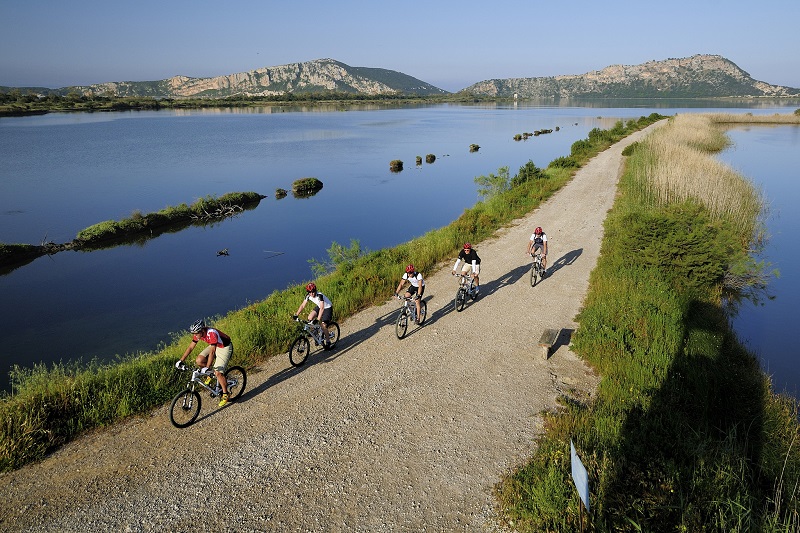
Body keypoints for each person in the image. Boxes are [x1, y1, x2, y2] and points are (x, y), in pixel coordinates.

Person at [175, 319, 234, 407]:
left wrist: (207, 366)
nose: (195, 335)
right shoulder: (198, 334)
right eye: (193, 333)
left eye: (196, 333)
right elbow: (191, 347)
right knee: (199, 360)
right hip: (214, 345)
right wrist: (181, 360)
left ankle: (225, 394)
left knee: (218, 372)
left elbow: (212, 352)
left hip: (224, 347)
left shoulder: (211, 333)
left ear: (202, 330)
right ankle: (210, 374)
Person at [295, 282, 334, 349]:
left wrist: (318, 319)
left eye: (313, 291)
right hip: (319, 306)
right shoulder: (308, 296)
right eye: (310, 292)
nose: (312, 293)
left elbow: (322, 308)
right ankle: (316, 333)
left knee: (323, 325)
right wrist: (296, 314)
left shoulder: (319, 295)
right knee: (310, 317)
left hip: (327, 308)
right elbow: (302, 305)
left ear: (315, 290)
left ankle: (328, 342)